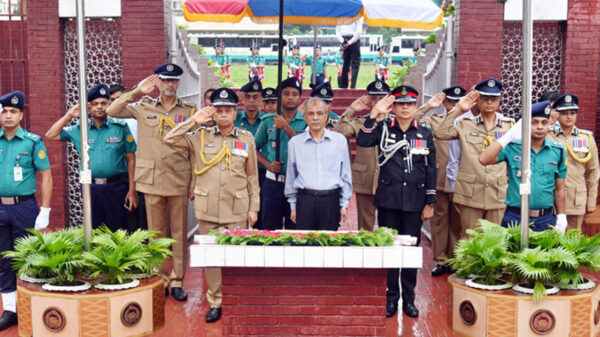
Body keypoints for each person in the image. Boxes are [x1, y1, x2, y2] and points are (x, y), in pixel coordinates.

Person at [164, 87, 259, 323]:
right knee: (213, 259)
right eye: (219, 110)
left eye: (228, 110)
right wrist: (193, 121)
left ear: (235, 113)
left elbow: (252, 177)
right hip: (207, 209)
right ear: (212, 114)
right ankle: (215, 301)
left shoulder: (246, 139)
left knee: (237, 257)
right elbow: (169, 138)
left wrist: (253, 207)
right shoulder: (200, 137)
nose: (224, 115)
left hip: (236, 208)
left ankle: (236, 299)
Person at [106, 63, 195, 301]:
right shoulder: (143, 106)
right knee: (155, 232)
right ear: (159, 82)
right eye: (165, 80)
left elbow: (195, 148)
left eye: (174, 81)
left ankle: (177, 280)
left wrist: (194, 181)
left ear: (178, 83)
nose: (169, 84)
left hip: (178, 177)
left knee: (178, 232)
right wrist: (136, 92)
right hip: (152, 178)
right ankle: (161, 278)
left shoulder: (189, 111)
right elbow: (112, 110)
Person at [357, 86, 436, 319]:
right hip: (389, 200)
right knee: (390, 250)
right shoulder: (382, 128)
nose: (404, 108)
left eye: (409, 104)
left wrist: (430, 202)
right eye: (400, 104)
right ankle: (391, 298)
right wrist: (373, 115)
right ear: (394, 106)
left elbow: (431, 168)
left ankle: (409, 299)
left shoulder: (424, 132)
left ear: (414, 107)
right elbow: (362, 141)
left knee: (410, 251)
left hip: (414, 201)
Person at [46, 84, 138, 232]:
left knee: (118, 230)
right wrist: (69, 115)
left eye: (104, 103)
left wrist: (132, 190)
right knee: (93, 230)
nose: (100, 107)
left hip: (117, 187)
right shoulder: (80, 129)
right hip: (90, 188)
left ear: (109, 105)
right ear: (88, 107)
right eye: (95, 104)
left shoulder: (120, 127)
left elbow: (131, 159)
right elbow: (51, 134)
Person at [0, 91, 53, 330]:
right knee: (3, 259)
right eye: (4, 111)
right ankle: (10, 310)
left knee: (28, 258)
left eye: (13, 111)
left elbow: (46, 175)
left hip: (24, 208)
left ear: (21, 114)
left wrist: (46, 210)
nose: (8, 115)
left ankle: (31, 307)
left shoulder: (32, 142)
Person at [434, 79, 514, 236]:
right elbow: (441, 133)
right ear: (477, 100)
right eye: (484, 98)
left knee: (495, 241)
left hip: (497, 193)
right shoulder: (464, 123)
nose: (489, 102)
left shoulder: (509, 125)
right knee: (470, 240)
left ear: (499, 101)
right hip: (470, 192)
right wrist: (458, 109)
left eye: (493, 99)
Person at [479, 101, 567, 232]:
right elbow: (484, 159)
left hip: (545, 218)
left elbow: (559, 188)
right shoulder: (513, 147)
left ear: (549, 124)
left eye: (544, 122)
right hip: (515, 217)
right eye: (534, 122)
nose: (539, 127)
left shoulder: (557, 151)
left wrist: (561, 216)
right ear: (524, 125)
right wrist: (508, 137)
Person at [413, 86, 466, 276]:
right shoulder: (435, 121)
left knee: (461, 222)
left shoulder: (471, 122)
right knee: (440, 221)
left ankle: (457, 259)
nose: (454, 106)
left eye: (458, 103)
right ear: (444, 103)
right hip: (441, 178)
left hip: (464, 180)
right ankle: (441, 260)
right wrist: (427, 106)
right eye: (451, 102)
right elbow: (413, 121)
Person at [285, 97, 352, 230]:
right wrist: (293, 206)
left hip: (330, 200)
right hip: (305, 200)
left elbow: (345, 174)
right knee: (304, 245)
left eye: (320, 113)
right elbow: (291, 176)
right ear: (304, 117)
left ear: (326, 116)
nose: (315, 118)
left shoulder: (339, 141)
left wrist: (344, 204)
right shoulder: (295, 143)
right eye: (311, 113)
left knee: (328, 246)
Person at [334, 80, 389, 230]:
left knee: (389, 225)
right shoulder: (360, 122)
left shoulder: (394, 123)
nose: (378, 102)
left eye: (382, 98)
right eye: (374, 98)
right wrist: (351, 110)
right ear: (368, 100)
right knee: (365, 227)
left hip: (389, 180)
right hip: (366, 178)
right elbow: (339, 133)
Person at [254, 77, 307, 230]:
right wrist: (267, 164)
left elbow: (307, 149)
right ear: (279, 97)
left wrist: (286, 128)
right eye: (286, 93)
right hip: (273, 182)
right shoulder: (268, 121)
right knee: (270, 228)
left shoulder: (306, 122)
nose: (290, 97)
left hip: (298, 182)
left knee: (296, 229)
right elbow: (253, 148)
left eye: (295, 94)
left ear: (300, 98)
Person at [546, 94, 599, 230]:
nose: (569, 117)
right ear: (557, 114)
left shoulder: (586, 137)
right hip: (550, 199)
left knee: (573, 242)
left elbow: (593, 171)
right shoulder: (547, 135)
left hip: (576, 199)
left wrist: (591, 200)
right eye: (564, 113)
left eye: (572, 113)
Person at [109, 84, 148, 231]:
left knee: (141, 210)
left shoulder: (135, 116)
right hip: (119, 173)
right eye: (113, 100)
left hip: (139, 169)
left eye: (120, 98)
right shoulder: (107, 120)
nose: (117, 102)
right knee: (123, 212)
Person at [336, 17, 363, 88]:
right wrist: (343, 41)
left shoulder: (358, 15)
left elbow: (358, 32)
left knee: (353, 64)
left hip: (352, 39)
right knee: (347, 64)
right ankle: (345, 86)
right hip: (347, 39)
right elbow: (337, 31)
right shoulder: (341, 15)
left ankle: (351, 86)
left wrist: (347, 42)